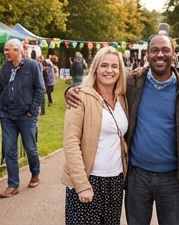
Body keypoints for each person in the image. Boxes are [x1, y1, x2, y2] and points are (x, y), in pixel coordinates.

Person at [66, 33, 179, 225]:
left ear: (174, 54)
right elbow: (99, 85)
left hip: (172, 178)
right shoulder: (133, 83)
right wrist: (71, 90)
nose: (159, 55)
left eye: (165, 50)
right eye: (154, 50)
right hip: (137, 177)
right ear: (147, 54)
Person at [61, 47, 129, 224]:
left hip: (114, 181)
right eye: (104, 65)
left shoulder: (122, 98)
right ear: (95, 68)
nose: (109, 70)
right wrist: (82, 185)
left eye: (115, 66)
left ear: (120, 70)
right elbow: (70, 142)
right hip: (88, 178)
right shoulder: (80, 96)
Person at [0, 37, 44, 198]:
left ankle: (35, 173)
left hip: (26, 115)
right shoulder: (6, 68)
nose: (6, 53)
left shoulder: (32, 66)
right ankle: (13, 185)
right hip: (8, 115)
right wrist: (1, 109)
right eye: (5, 50)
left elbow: (40, 88)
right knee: (9, 150)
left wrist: (33, 109)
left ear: (18, 51)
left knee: (30, 148)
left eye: (8, 50)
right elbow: (1, 87)